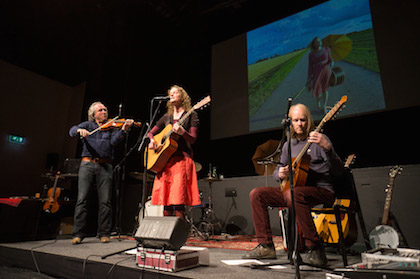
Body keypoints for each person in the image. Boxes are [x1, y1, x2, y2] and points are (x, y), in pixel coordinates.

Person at [242, 103, 343, 266]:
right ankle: (266, 246)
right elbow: (278, 172)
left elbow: (338, 171)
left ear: (308, 120)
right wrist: (280, 173)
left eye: (303, 120)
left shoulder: (319, 140)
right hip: (294, 191)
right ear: (290, 122)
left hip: (322, 190)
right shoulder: (288, 145)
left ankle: (315, 249)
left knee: (293, 193)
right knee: (257, 193)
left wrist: (328, 148)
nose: (300, 124)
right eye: (296, 120)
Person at [69, 101, 134, 244]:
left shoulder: (111, 128)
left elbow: (113, 143)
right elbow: (72, 130)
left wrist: (123, 130)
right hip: (87, 164)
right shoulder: (87, 125)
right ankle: (78, 234)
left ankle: (104, 233)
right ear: (93, 114)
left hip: (105, 166)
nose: (104, 112)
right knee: (82, 200)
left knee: (105, 201)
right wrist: (79, 131)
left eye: (105, 110)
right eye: (100, 110)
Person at [147, 85, 201, 220]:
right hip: (165, 161)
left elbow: (193, 139)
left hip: (181, 159)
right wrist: (152, 140)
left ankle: (178, 236)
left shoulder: (191, 115)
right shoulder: (167, 117)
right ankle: (167, 237)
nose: (172, 95)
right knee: (166, 203)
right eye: (170, 93)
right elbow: (150, 133)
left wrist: (183, 133)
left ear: (182, 97)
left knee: (177, 200)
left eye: (175, 93)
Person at [306, 37, 334, 114]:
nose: (318, 43)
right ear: (314, 44)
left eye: (319, 41)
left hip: (326, 71)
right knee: (318, 91)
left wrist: (332, 62)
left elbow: (330, 59)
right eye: (316, 42)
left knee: (325, 90)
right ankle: (318, 105)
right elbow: (310, 66)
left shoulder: (326, 49)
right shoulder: (311, 54)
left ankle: (324, 106)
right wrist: (309, 77)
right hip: (316, 73)